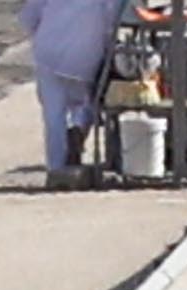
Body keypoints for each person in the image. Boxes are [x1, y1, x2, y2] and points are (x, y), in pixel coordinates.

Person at [18, 0, 116, 186]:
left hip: (48, 52)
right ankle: (78, 128)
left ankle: (56, 168)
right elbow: (113, 20)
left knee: (53, 115)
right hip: (85, 55)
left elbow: (29, 18)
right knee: (88, 102)